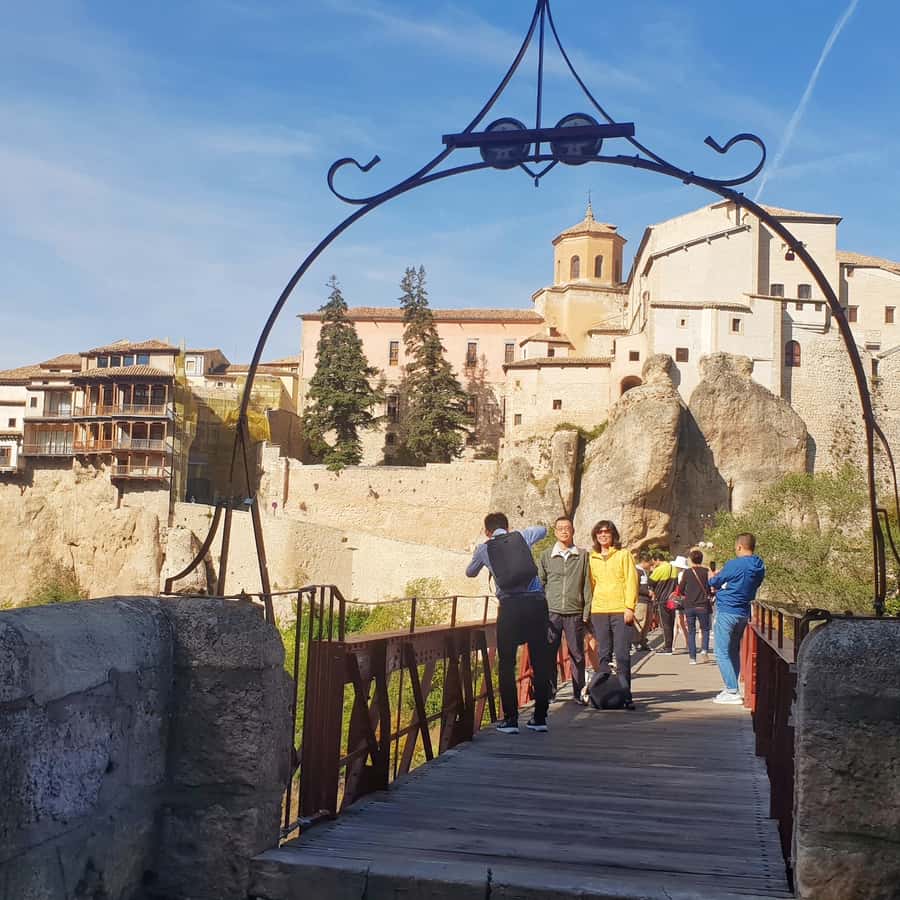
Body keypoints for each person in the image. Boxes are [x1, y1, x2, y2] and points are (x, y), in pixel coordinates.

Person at [466, 512, 552, 733]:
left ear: (487, 531)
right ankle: (540, 718)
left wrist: (482, 554)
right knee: (540, 660)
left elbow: (470, 573)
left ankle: (511, 720)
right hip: (535, 604)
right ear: (507, 526)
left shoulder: (484, 548)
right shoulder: (522, 536)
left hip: (510, 607)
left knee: (506, 663)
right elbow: (544, 530)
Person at [538, 516, 592, 704]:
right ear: (555, 532)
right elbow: (540, 583)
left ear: (573, 531)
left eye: (567, 528)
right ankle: (549, 692)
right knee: (548, 653)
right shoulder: (546, 555)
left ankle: (578, 692)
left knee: (577, 654)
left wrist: (586, 612)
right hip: (551, 612)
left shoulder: (582, 555)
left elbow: (587, 585)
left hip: (574, 611)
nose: (564, 531)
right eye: (560, 528)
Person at [708, 533, 766, 704]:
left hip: (727, 610)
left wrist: (713, 578)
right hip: (743, 611)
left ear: (740, 546)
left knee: (721, 652)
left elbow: (715, 582)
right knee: (733, 650)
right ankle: (731, 687)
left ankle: (732, 690)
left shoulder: (735, 564)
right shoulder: (759, 565)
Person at [587, 520, 638, 706]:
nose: (603, 535)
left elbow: (632, 580)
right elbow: (590, 585)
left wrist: (630, 607)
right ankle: (603, 696)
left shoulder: (623, 555)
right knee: (604, 654)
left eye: (606, 532)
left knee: (622, 654)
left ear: (613, 534)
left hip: (620, 610)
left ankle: (626, 695)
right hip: (599, 609)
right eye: (599, 532)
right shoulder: (592, 558)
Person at [676, 549, 713, 664]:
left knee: (691, 631)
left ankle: (692, 658)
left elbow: (681, 589)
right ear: (701, 559)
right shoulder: (706, 571)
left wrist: (686, 594)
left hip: (689, 605)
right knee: (705, 629)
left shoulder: (687, 572)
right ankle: (704, 649)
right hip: (703, 605)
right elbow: (710, 587)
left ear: (691, 560)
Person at [648, 551, 679, 654]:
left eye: (654, 562)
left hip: (662, 599)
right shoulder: (674, 568)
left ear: (657, 560)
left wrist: (652, 571)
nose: (654, 564)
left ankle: (667, 647)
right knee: (671, 622)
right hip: (672, 600)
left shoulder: (659, 569)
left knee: (665, 624)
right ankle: (670, 646)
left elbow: (650, 582)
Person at [632, 551, 654, 651]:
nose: (650, 565)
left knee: (647, 622)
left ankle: (643, 641)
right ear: (644, 561)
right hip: (641, 600)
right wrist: (647, 592)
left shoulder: (644, 571)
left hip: (647, 600)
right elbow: (635, 587)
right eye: (649, 563)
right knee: (640, 621)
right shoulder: (636, 571)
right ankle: (636, 642)